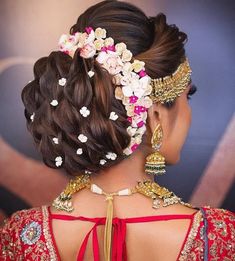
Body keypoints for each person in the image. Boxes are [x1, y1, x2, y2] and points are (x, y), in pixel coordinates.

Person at [0, 1, 234, 260]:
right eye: (187, 98)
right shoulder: (214, 236)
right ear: (155, 117)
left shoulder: (22, 235)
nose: (189, 114)